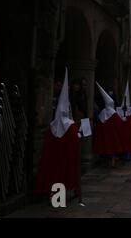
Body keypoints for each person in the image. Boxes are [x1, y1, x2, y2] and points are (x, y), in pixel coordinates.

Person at [36, 68, 82, 202]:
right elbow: (75, 141)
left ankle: (52, 194)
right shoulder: (71, 125)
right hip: (66, 156)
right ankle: (58, 197)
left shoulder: (52, 125)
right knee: (63, 172)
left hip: (54, 156)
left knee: (54, 171)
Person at [93, 83, 124, 167]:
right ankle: (112, 162)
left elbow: (99, 124)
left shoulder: (102, 112)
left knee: (106, 147)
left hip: (104, 135)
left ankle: (107, 161)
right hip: (112, 135)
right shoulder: (113, 112)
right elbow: (119, 123)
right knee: (113, 148)